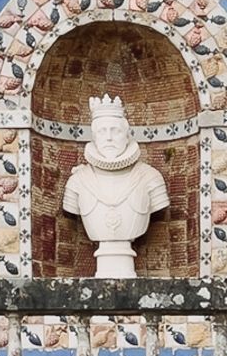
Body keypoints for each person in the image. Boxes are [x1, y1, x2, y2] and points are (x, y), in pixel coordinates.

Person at [61, 95, 170, 275]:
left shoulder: (150, 178)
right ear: (94, 137)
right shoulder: (77, 182)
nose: (109, 138)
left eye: (116, 131)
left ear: (127, 136)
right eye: (102, 131)